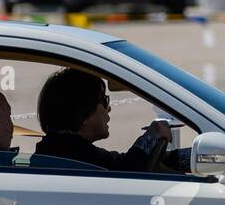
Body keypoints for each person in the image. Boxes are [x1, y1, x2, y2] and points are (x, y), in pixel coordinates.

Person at [34, 68, 188, 172]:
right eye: (104, 101)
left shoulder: (62, 148)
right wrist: (150, 137)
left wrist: (194, 157)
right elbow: (126, 172)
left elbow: (120, 162)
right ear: (82, 111)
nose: (109, 108)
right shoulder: (67, 153)